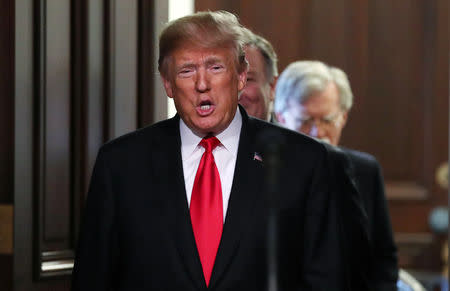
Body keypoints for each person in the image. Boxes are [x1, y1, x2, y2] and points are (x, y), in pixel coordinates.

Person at [71, 11, 345, 291]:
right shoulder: (121, 164)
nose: (202, 84)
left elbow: (326, 278)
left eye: (215, 67)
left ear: (240, 76)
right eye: (186, 70)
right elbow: (93, 278)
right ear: (168, 83)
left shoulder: (303, 161)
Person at [274, 60, 399, 291]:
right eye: (305, 121)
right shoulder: (263, 171)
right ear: (281, 117)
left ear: (344, 117)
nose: (317, 132)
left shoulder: (365, 170)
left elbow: (383, 259)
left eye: (327, 120)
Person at [238, 28, 278, 121]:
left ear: (272, 86)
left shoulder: (289, 136)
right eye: (227, 81)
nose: (235, 92)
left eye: (247, 79)